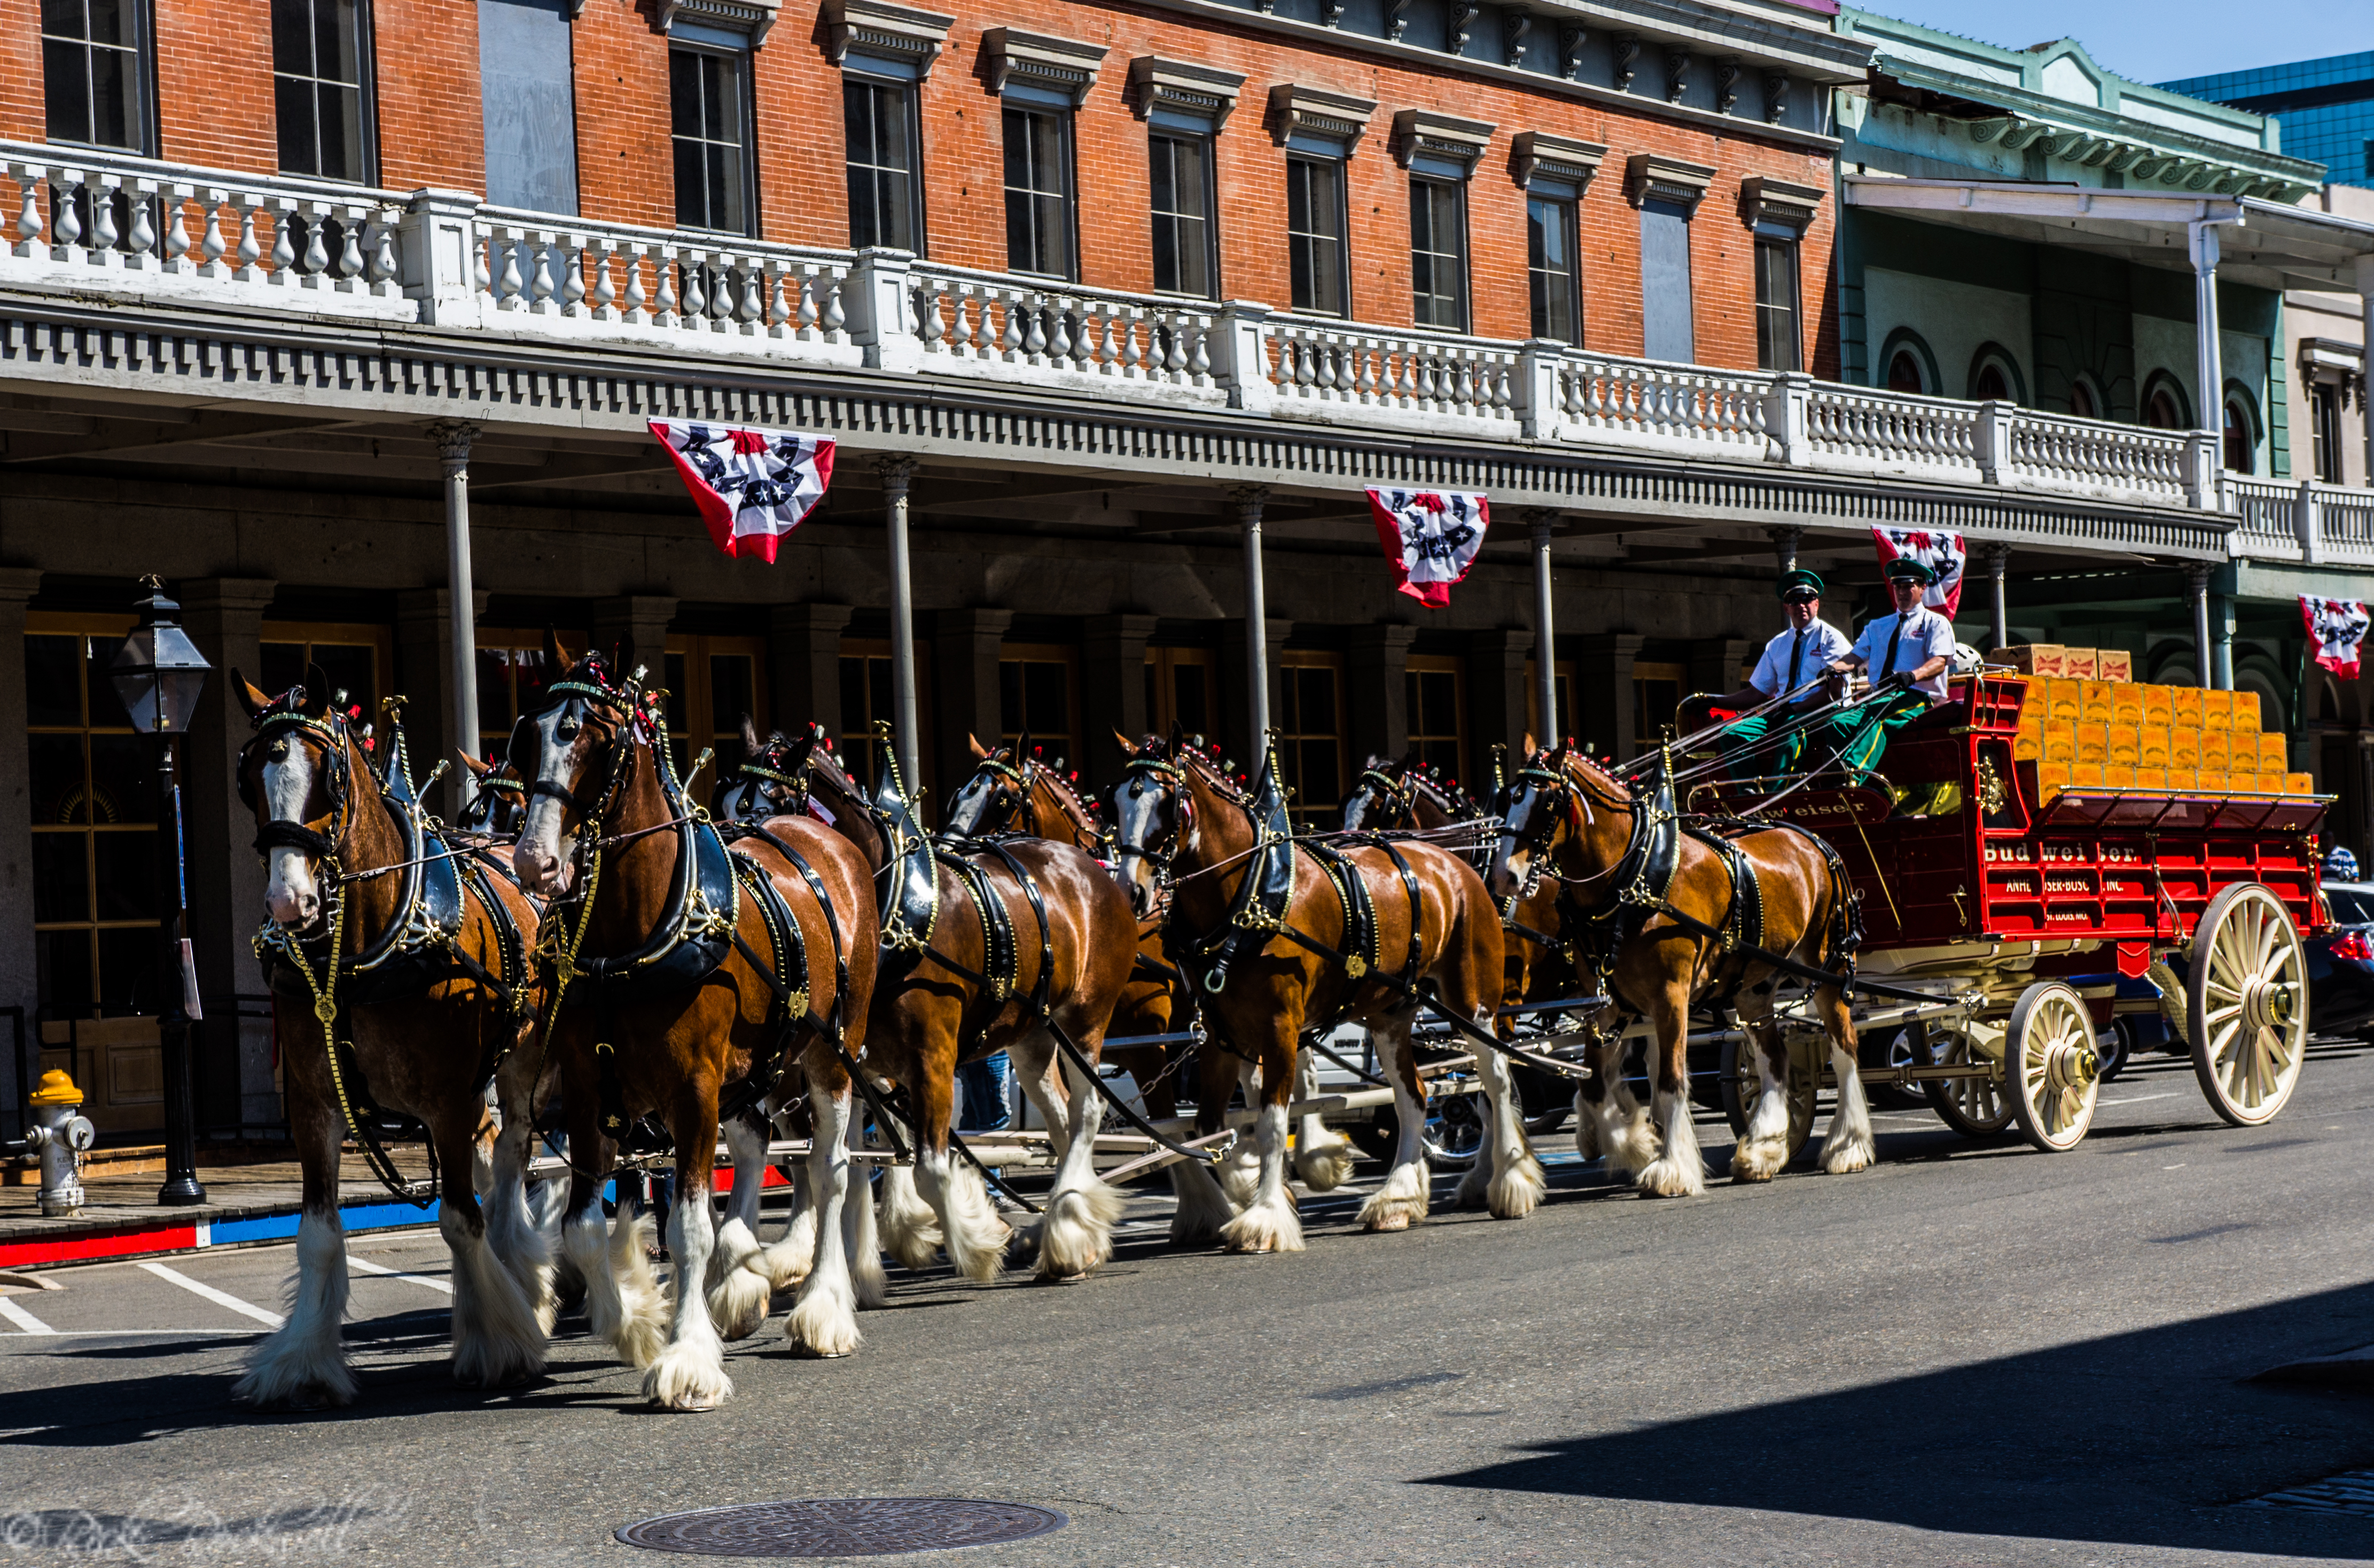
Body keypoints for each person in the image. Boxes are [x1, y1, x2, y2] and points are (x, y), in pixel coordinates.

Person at [1804, 556, 1958, 784]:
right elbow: (1855, 657)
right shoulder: (1878, 626)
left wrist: (1912, 676)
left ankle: (1853, 773)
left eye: (1909, 586)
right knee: (1837, 722)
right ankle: (1837, 777)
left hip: (1916, 696)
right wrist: (1832, 669)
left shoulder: (1935, 622)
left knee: (1877, 718)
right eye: (1898, 587)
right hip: (1878, 696)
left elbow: (1940, 662)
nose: (1902, 592)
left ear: (1923, 588)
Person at [1712, 568, 1854, 782]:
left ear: (1817, 603)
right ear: (1786, 607)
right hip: (1785, 712)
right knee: (1732, 733)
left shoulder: (1832, 639)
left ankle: (1777, 794)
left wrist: (1795, 709)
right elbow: (1757, 693)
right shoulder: (1777, 644)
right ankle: (1750, 791)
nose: (1802, 606)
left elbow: (1833, 693)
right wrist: (1713, 701)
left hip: (1821, 711)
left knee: (1791, 727)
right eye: (1795, 601)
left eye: (1808, 599)